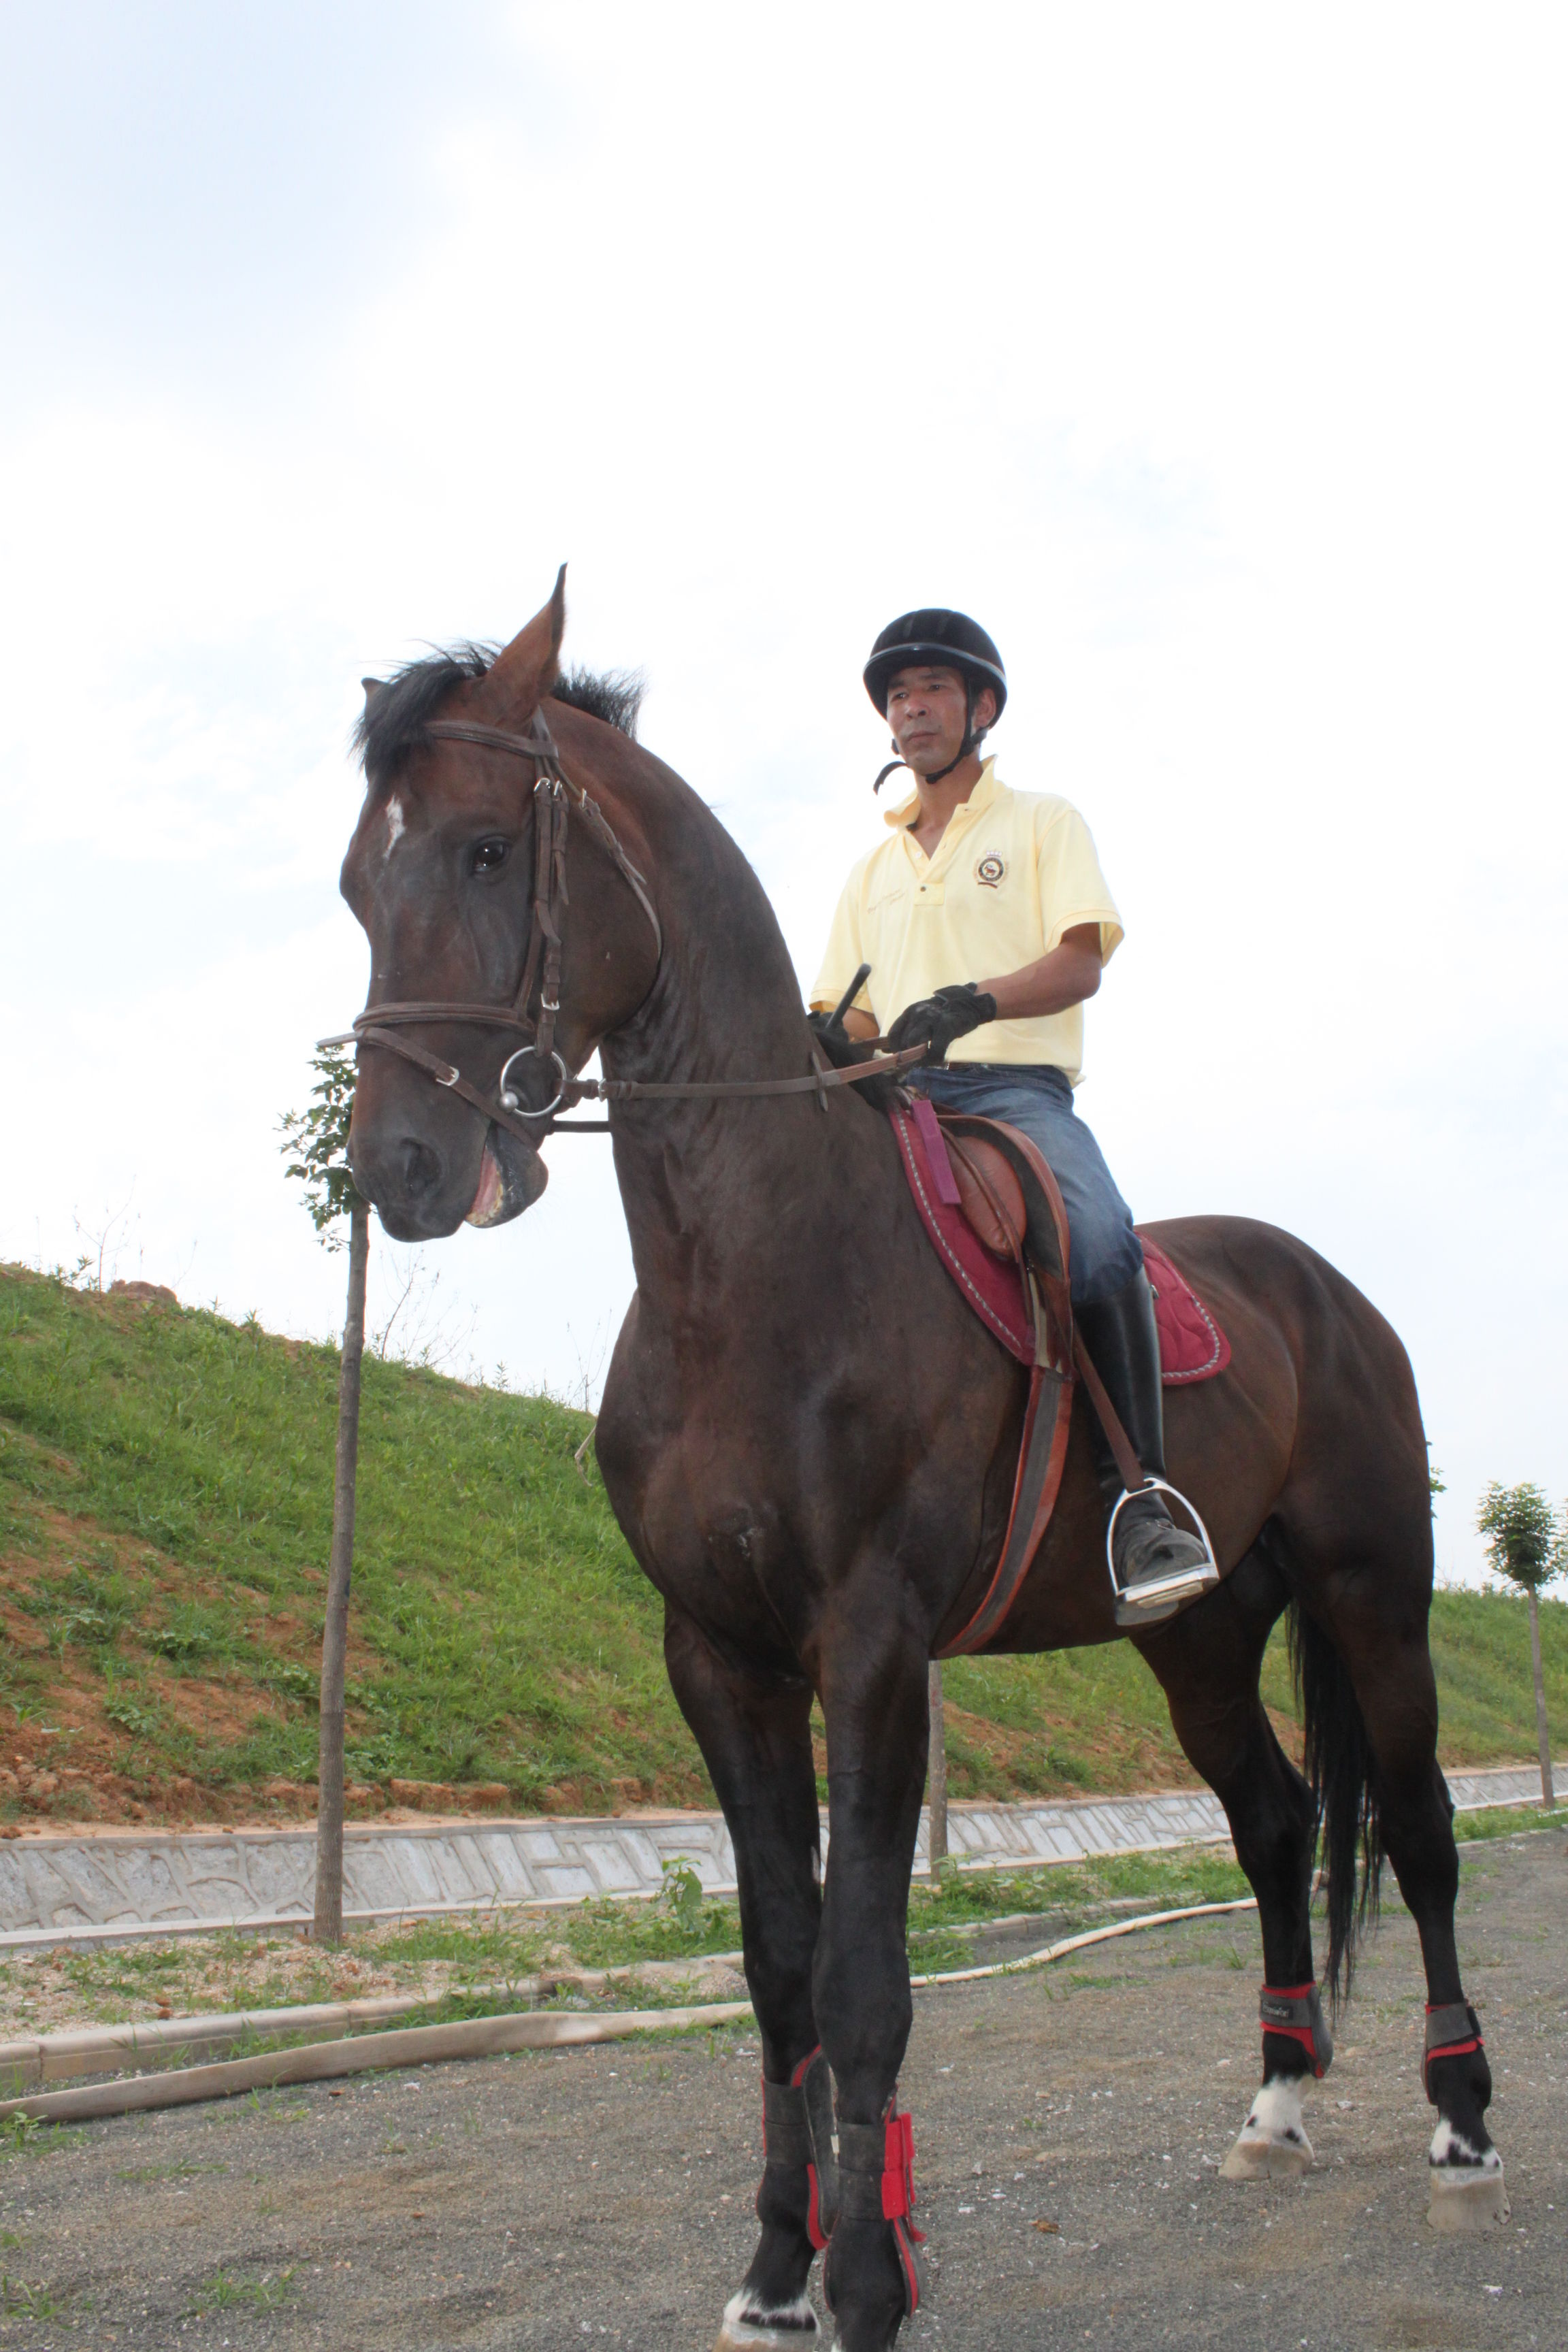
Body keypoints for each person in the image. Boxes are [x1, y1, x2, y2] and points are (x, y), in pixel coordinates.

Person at [808, 608, 1218, 1627]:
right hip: (895, 1098)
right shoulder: (871, 869)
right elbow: (847, 1010)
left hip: (1010, 1091)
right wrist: (824, 1042)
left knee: (1095, 1239)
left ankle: (1142, 1502)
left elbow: (1082, 959)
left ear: (981, 707)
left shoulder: (1042, 821)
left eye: (933, 690)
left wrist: (977, 1000)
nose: (912, 710)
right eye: (898, 696)